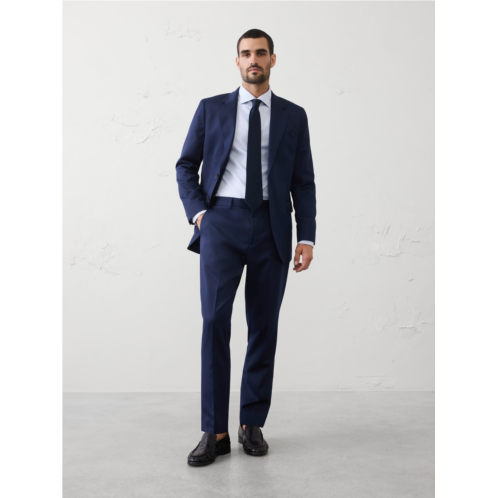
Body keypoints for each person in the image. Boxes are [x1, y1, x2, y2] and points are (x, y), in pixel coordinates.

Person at [176, 28, 317, 466]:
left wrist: (306, 236)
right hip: (222, 222)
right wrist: (201, 214)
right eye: (245, 53)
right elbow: (186, 165)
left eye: (260, 53)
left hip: (273, 225)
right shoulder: (211, 108)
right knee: (214, 322)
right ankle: (214, 431)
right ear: (236, 61)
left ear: (273, 59)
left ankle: (251, 423)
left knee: (263, 325)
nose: (253, 59)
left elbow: (303, 181)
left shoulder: (293, 116)